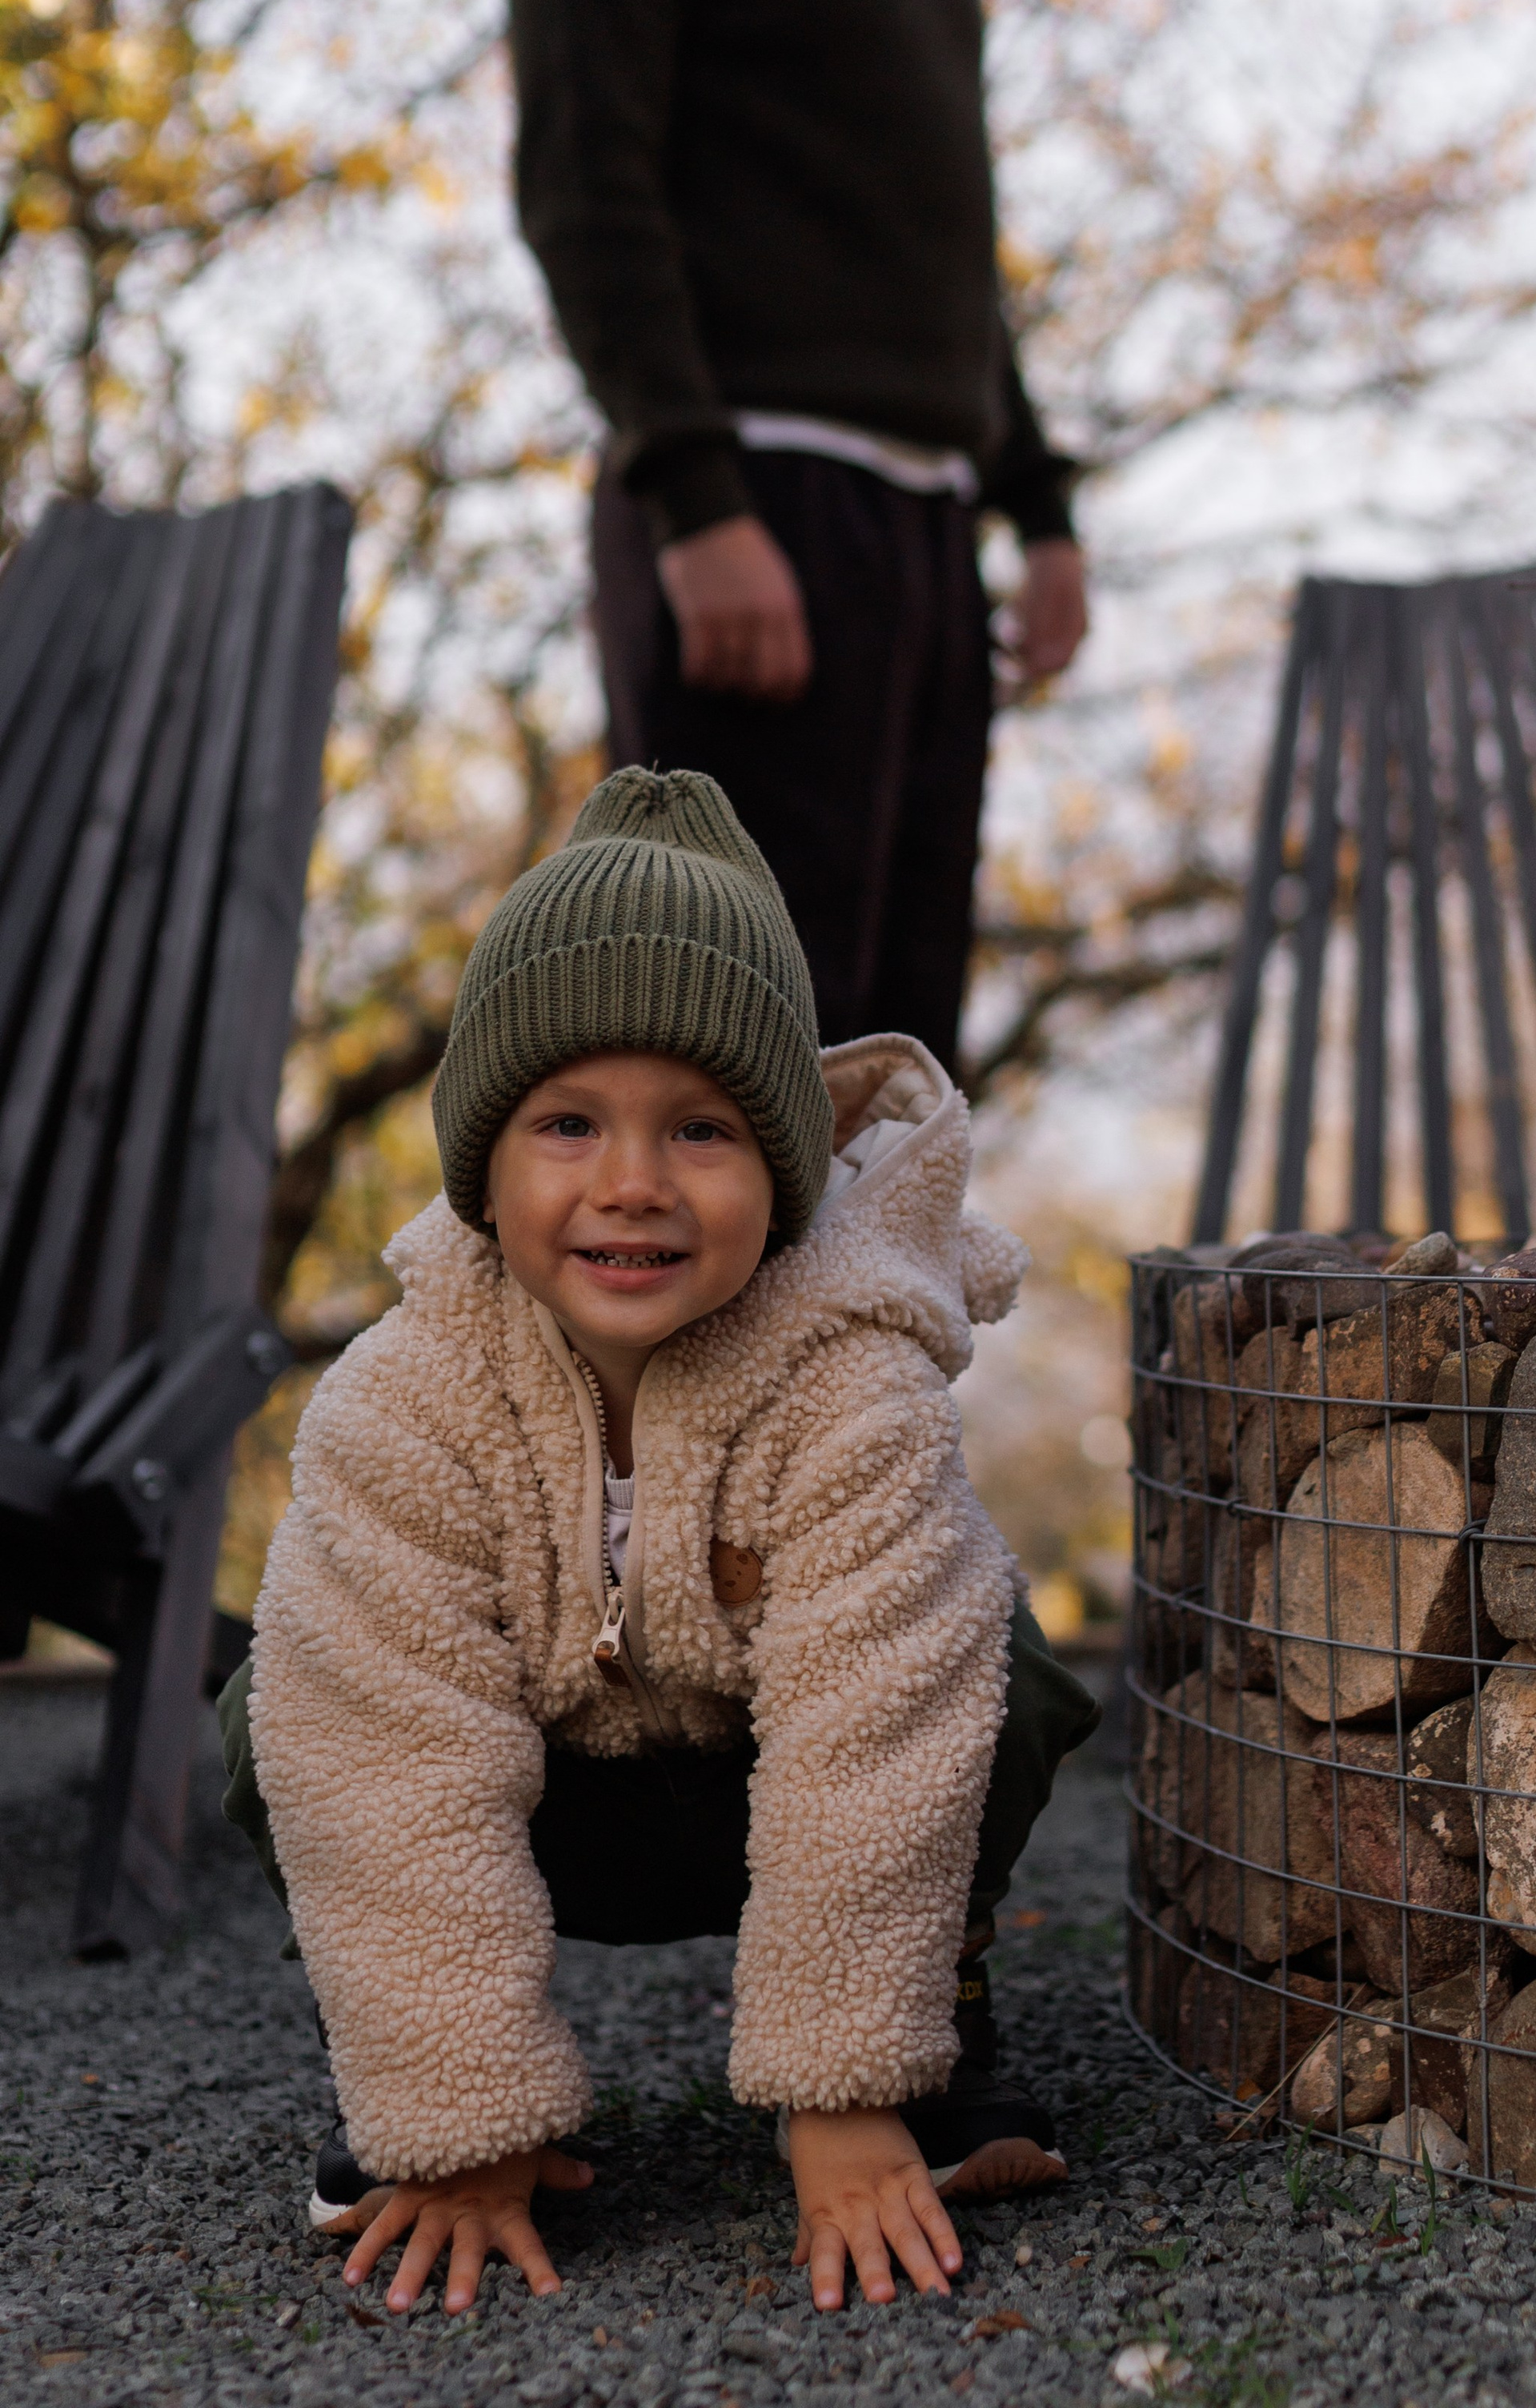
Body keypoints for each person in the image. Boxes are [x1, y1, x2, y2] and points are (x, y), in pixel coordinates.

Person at [217, 768, 1097, 2317]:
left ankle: (923, 2016)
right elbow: (384, 1755)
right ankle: (397, 2065)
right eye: (568, 1124)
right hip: (541, 1796)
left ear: (787, 1167)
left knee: (988, 1662)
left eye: (701, 1129)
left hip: (765, 1784)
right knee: (282, 1708)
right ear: (482, 1167)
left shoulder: (851, 1384)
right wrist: (457, 2111)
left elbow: (875, 1737)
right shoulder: (405, 1402)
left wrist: (840, 2086)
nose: (631, 1184)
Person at [503, 0, 1086, 1077]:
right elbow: (582, 190)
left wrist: (1035, 503)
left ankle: (867, 1362)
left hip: (923, 524)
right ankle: (698, 1361)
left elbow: (946, 235)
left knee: (898, 1057)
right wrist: (696, 499)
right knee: (732, 1057)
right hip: (752, 515)